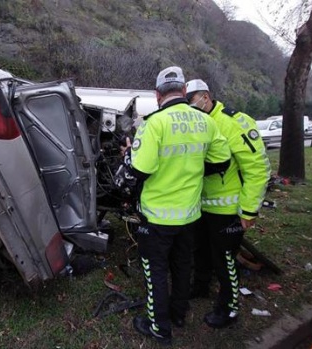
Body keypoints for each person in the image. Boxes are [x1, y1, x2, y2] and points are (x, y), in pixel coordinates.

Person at [116, 67, 231, 345]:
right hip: (190, 214)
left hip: (157, 217)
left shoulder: (154, 123)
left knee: (155, 269)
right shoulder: (205, 121)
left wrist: (130, 155)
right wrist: (190, 170)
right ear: (183, 91)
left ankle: (159, 326)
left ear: (158, 95)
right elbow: (222, 160)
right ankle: (178, 314)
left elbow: (136, 173)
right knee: (182, 265)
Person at [186, 79, 271, 328]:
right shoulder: (192, 122)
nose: (193, 108)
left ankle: (229, 308)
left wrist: (248, 210)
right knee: (200, 252)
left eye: (194, 102)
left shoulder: (235, 122)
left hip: (227, 208)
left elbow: (258, 169)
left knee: (224, 260)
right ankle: (200, 287)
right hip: (199, 206)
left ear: (206, 96)